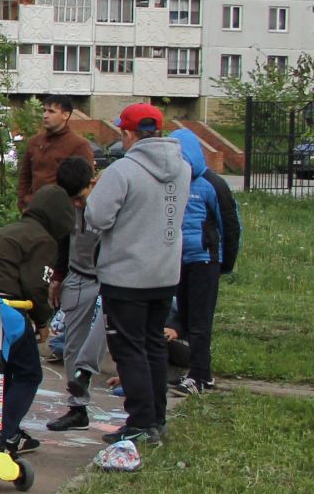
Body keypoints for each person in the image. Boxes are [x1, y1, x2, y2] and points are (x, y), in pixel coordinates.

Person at [87, 104, 190, 446]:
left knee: (129, 349)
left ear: (129, 134)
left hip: (126, 274)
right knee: (153, 346)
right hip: (164, 272)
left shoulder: (123, 171)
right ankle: (156, 419)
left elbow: (98, 218)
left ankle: (141, 422)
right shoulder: (183, 168)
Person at [0, 184, 75, 455]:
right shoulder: (44, 239)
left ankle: (8, 429)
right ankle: (2, 436)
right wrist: (43, 320)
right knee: (29, 372)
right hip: (3, 306)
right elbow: (35, 286)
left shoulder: (10, 230)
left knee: (0, 367)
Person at [173, 129, 240, 395]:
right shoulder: (173, 182)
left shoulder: (213, 184)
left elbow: (231, 226)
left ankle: (200, 376)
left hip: (205, 259)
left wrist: (226, 262)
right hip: (178, 260)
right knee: (187, 319)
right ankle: (196, 371)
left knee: (201, 321)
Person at [48, 157, 108, 432]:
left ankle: (140, 412)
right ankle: (77, 408)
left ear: (93, 184)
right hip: (78, 276)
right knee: (73, 343)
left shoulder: (109, 203)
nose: (77, 205)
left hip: (110, 278)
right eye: (71, 200)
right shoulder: (67, 207)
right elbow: (63, 240)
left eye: (80, 198)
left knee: (112, 333)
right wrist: (57, 278)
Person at [17, 95, 95, 212]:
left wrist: (67, 208)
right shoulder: (34, 142)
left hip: (60, 213)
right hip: (33, 209)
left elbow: (85, 184)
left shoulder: (79, 144)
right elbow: (25, 176)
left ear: (66, 115)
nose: (45, 115)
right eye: (44, 111)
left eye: (51, 111)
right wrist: (23, 203)